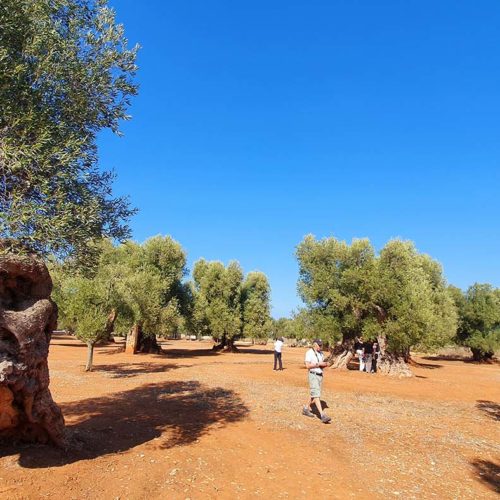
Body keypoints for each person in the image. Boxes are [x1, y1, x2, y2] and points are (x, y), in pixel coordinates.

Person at [302, 339, 332, 424]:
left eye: (321, 345)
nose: (321, 346)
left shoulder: (321, 354)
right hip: (313, 375)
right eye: (319, 345)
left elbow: (322, 364)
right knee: (316, 394)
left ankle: (306, 409)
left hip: (320, 375)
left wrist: (325, 364)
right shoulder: (309, 353)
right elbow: (307, 366)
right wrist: (318, 364)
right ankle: (322, 415)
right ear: (314, 344)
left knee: (314, 393)